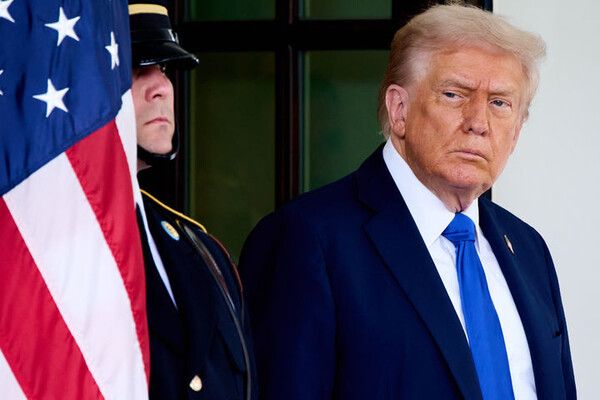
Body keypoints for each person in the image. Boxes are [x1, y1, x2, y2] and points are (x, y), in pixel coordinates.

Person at [239, 4, 575, 400]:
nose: (478, 122)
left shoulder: (529, 249)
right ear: (399, 109)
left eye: (499, 103)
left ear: (516, 131)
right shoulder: (306, 239)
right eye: (454, 95)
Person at [129, 1, 256, 399]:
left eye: (164, 69)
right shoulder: (43, 246)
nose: (161, 87)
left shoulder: (201, 249)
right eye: (133, 68)